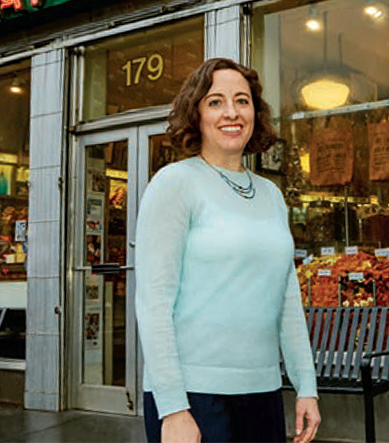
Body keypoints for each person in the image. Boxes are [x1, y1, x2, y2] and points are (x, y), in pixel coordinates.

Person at [134, 58, 321, 443]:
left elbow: (287, 299)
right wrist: (173, 408)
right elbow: (153, 303)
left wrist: (306, 386)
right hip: (195, 396)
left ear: (256, 112)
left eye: (242, 100)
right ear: (196, 113)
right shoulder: (174, 184)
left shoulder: (270, 194)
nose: (231, 112)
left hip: (262, 391)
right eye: (216, 102)